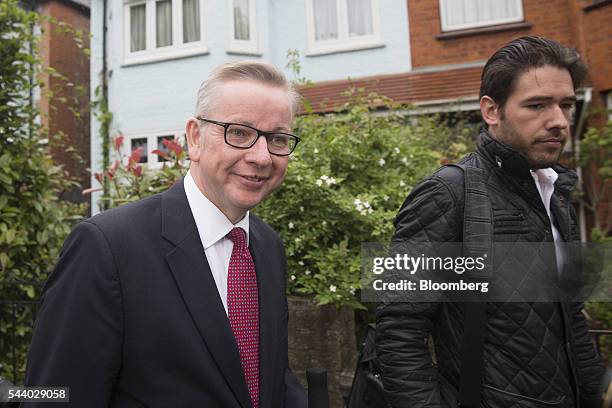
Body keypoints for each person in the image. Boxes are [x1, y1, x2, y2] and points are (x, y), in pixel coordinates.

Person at [24, 61, 307, 407]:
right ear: (195, 138)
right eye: (240, 132)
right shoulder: (107, 247)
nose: (262, 156)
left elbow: (270, 380)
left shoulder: (267, 247)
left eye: (277, 139)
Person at [375, 37, 605, 407]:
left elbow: (571, 316)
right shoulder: (448, 193)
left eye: (566, 105)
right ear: (491, 110)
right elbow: (399, 331)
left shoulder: (555, 191)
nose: (559, 121)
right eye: (537, 105)